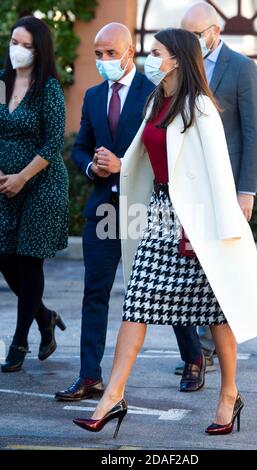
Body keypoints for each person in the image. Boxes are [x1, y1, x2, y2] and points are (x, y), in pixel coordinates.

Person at [73, 28, 257, 436]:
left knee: (216, 310)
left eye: (155, 52)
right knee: (138, 301)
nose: (149, 58)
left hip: (196, 221)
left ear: (178, 59)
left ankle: (229, 394)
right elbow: (140, 160)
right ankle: (112, 397)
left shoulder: (199, 107)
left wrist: (214, 233)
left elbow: (218, 173)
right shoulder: (156, 101)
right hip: (158, 213)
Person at [54, 23, 154, 402]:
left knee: (155, 290)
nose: (104, 60)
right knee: (94, 292)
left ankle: (194, 357)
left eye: (111, 53)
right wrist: (90, 168)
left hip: (141, 209)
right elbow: (80, 148)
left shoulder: (153, 93)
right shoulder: (94, 97)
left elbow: (160, 153)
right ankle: (89, 376)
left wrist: (122, 166)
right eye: (98, 54)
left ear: (130, 52)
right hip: (102, 209)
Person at [174, 1, 257, 375]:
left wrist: (247, 191)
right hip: (186, 185)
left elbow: (254, 132)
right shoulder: (178, 67)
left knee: (219, 266)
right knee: (187, 265)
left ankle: (209, 347)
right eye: (186, 35)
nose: (191, 42)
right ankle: (197, 348)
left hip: (226, 186)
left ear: (216, 32)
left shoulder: (242, 69)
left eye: (196, 35)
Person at [0, 16, 68, 373]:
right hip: (3, 185)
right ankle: (45, 316)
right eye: (15, 42)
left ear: (39, 50)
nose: (18, 50)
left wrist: (22, 177)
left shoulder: (48, 89)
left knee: (30, 260)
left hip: (41, 184)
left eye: (27, 45)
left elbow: (53, 141)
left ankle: (20, 340)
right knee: (4, 256)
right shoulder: (1, 82)